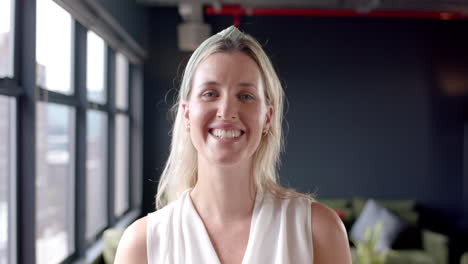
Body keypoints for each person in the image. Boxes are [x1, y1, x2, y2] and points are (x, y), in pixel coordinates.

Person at [115, 26, 351, 264]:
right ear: (186, 114)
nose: (227, 112)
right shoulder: (142, 244)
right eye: (210, 93)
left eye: (246, 96)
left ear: (267, 118)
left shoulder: (318, 231)